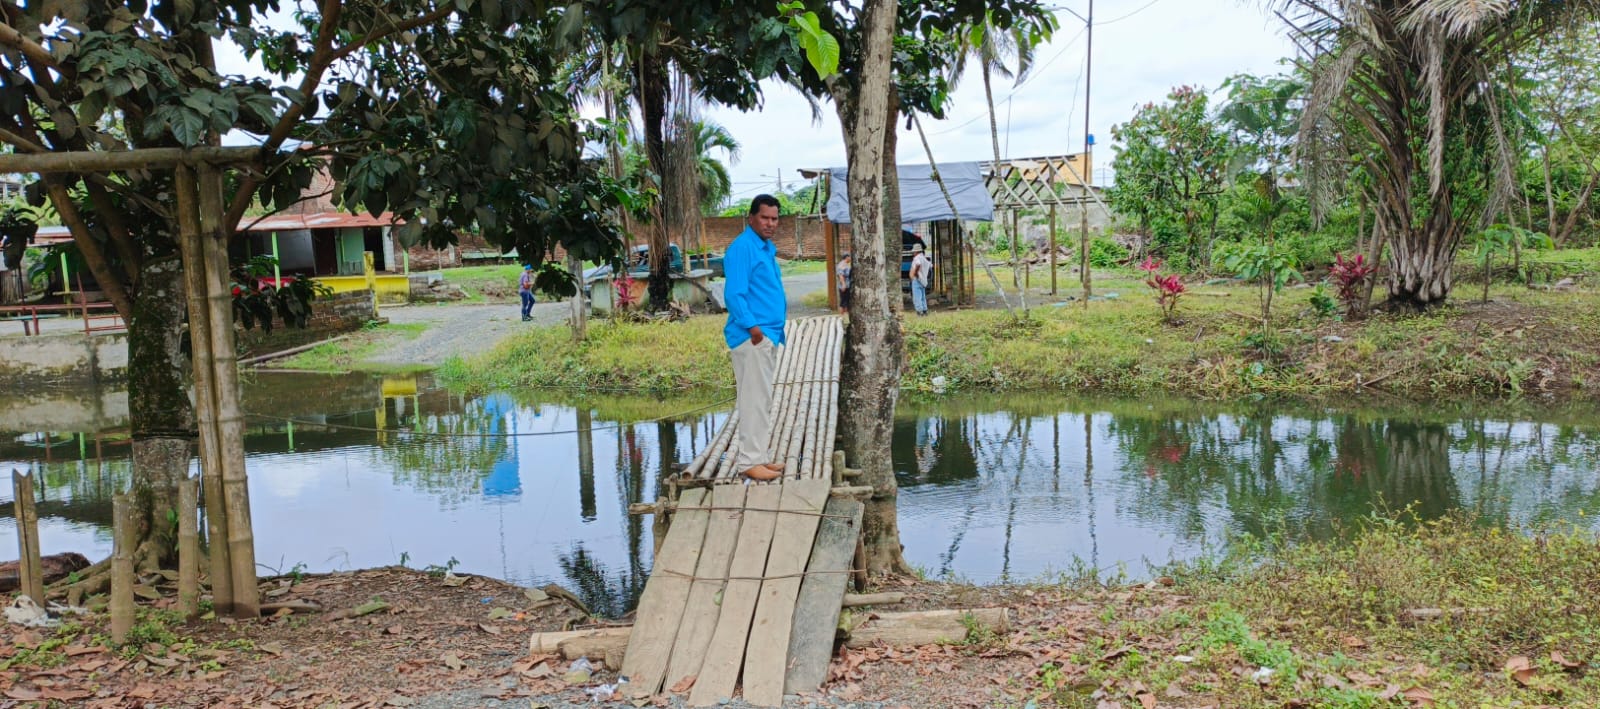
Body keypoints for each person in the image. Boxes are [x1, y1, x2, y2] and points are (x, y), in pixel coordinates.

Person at [724, 194, 788, 481]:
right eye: (765, 218)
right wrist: (754, 329)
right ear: (751, 218)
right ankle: (750, 461)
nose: (770, 223)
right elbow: (733, 294)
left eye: (774, 219)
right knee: (753, 400)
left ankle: (759, 457)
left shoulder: (765, 247)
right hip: (752, 338)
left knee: (761, 400)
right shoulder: (743, 247)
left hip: (767, 334)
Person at [909, 243, 932, 315]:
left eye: (914, 252)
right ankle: (925, 310)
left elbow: (918, 264)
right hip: (923, 280)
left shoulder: (917, 258)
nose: (913, 253)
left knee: (917, 296)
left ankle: (919, 311)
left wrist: (916, 273)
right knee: (922, 296)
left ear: (916, 251)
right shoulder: (924, 258)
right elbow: (930, 265)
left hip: (917, 279)